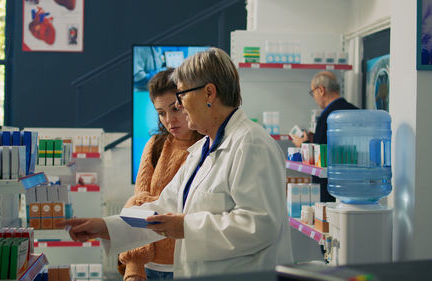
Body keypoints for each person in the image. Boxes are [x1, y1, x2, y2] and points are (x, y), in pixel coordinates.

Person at [59, 47, 293, 279]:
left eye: (181, 96)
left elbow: (260, 225)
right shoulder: (203, 150)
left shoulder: (251, 144)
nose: (179, 106)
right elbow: (162, 209)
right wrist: (106, 227)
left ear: (209, 94)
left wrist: (186, 227)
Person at [118, 68, 203, 281]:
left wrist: (153, 203)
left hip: (192, 266)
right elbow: (138, 208)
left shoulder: (208, 147)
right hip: (151, 267)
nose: (169, 120)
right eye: (161, 113)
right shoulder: (156, 146)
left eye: (175, 109)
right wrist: (134, 267)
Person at [291, 71, 358, 202]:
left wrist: (303, 145)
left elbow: (319, 157)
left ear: (321, 90)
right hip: (353, 186)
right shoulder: (355, 111)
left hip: (329, 189)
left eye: (313, 93)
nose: (314, 97)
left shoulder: (327, 117)